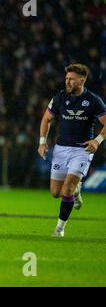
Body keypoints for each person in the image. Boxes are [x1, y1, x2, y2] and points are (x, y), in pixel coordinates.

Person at [38, 63, 106, 237]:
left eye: (71, 79)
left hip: (81, 151)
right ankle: (76, 190)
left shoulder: (93, 100)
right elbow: (46, 119)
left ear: (81, 81)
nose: (67, 82)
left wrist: (97, 141)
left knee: (66, 189)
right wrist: (42, 142)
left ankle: (59, 229)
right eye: (66, 78)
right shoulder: (60, 97)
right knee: (55, 193)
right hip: (61, 149)